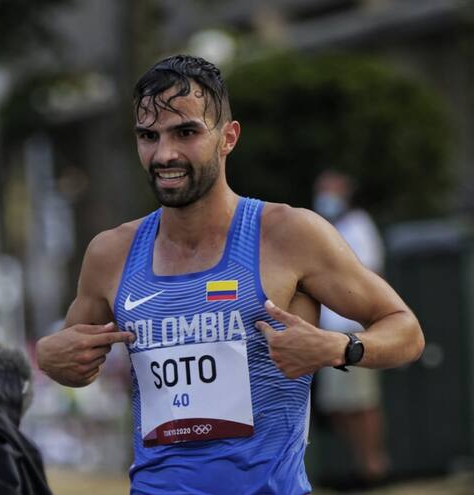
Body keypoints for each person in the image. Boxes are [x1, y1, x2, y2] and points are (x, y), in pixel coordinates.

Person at [35, 55, 424, 494]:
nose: (165, 154)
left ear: (228, 138)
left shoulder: (288, 234)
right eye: (149, 136)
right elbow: (76, 363)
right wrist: (49, 358)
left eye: (186, 132)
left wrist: (340, 347)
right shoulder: (110, 253)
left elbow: (406, 330)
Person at [313, 169, 390, 485]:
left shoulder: (359, 226)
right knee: (337, 408)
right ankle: (362, 464)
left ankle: (373, 467)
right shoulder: (330, 228)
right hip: (329, 335)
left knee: (363, 404)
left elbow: (369, 277)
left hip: (354, 333)